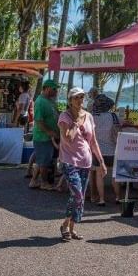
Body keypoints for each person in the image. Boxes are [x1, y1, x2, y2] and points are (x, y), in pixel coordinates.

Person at [57, 87, 105, 242]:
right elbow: (68, 138)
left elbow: (93, 141)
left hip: (86, 162)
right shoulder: (65, 117)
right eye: (76, 97)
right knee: (77, 193)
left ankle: (71, 228)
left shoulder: (89, 116)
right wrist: (76, 123)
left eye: (82, 97)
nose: (80, 100)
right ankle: (64, 225)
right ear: (70, 100)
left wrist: (101, 161)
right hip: (69, 161)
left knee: (80, 197)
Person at [89, 92, 121, 206]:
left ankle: (102, 199)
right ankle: (118, 197)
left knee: (99, 175)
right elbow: (119, 129)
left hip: (98, 151)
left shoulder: (92, 117)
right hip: (112, 149)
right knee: (114, 175)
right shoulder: (113, 116)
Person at [30, 80, 60, 190]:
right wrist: (49, 132)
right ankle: (44, 182)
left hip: (50, 137)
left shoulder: (50, 101)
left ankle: (33, 181)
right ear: (47, 88)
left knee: (42, 160)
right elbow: (38, 121)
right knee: (44, 162)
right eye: (54, 89)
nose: (56, 91)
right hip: (43, 137)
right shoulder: (40, 101)